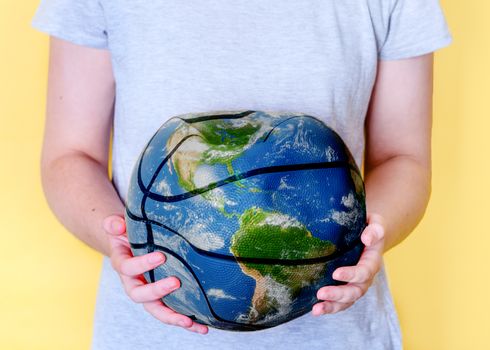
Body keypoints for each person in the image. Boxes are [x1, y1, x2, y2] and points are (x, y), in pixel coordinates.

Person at [32, 0, 452, 349]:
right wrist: (128, 245)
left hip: (337, 330)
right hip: (149, 334)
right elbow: (71, 155)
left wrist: (371, 241)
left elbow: (403, 158)